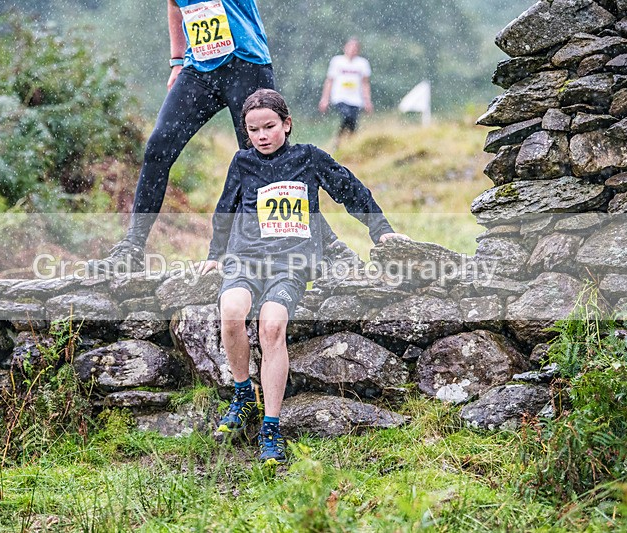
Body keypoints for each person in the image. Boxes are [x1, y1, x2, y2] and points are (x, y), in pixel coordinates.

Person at [201, 89, 407, 465]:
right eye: (253, 130)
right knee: (231, 311)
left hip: (290, 265)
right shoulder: (242, 162)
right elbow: (225, 209)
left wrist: (381, 229)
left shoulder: (308, 157)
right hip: (245, 260)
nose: (262, 136)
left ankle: (271, 428)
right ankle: (243, 394)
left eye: (269, 127)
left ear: (287, 124)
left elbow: (349, 189)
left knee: (271, 327)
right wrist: (215, 255)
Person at [94, 0, 345, 272]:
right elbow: (175, 4)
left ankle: (329, 246)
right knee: (158, 147)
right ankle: (131, 249)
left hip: (246, 63)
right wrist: (177, 61)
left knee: (267, 161)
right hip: (198, 69)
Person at [318, 38, 373, 148]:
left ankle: (348, 143)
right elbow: (329, 80)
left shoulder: (362, 63)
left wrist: (367, 101)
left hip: (356, 99)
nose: (352, 51)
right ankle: (338, 141)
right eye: (350, 48)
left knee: (353, 122)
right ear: (345, 48)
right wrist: (325, 99)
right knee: (347, 116)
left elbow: (365, 83)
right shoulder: (337, 61)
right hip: (340, 97)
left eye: (355, 48)